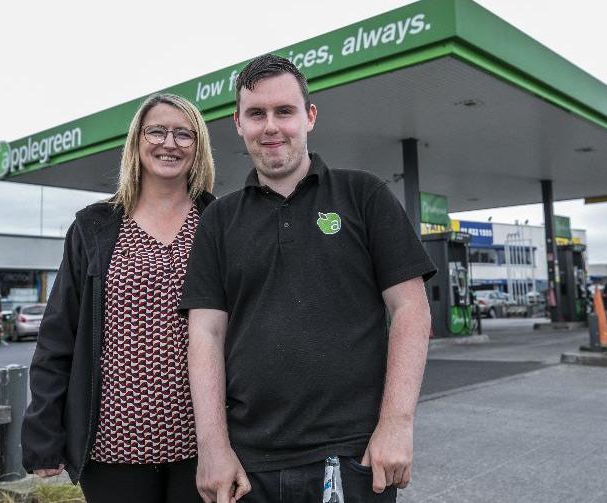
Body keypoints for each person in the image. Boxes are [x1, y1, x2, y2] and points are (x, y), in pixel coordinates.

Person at [180, 54, 436, 503]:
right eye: (256, 114)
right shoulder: (218, 220)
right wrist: (212, 447)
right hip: (248, 464)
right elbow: (205, 331)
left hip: (355, 457)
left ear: (309, 117)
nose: (271, 126)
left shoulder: (364, 195)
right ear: (238, 123)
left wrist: (397, 424)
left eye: (285, 111)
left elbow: (411, 308)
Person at [21, 93, 216, 503]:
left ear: (198, 146)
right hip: (114, 445)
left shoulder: (220, 221)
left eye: (184, 134)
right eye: (157, 131)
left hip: (206, 445)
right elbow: (58, 334)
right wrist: (43, 431)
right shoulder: (95, 227)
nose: (170, 143)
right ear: (136, 142)